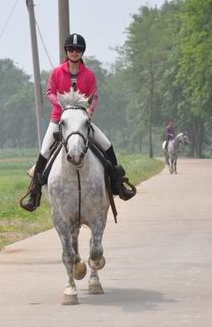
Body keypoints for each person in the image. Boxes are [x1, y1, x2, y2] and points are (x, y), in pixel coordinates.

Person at [20, 33, 136, 212]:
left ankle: (118, 184)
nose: (74, 52)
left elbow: (94, 96)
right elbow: (50, 92)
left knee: (106, 144)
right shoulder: (57, 72)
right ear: (66, 51)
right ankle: (34, 193)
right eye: (71, 49)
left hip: (82, 121)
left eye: (78, 49)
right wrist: (61, 103)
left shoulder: (89, 75)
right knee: (44, 151)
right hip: (60, 119)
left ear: (82, 52)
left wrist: (90, 110)